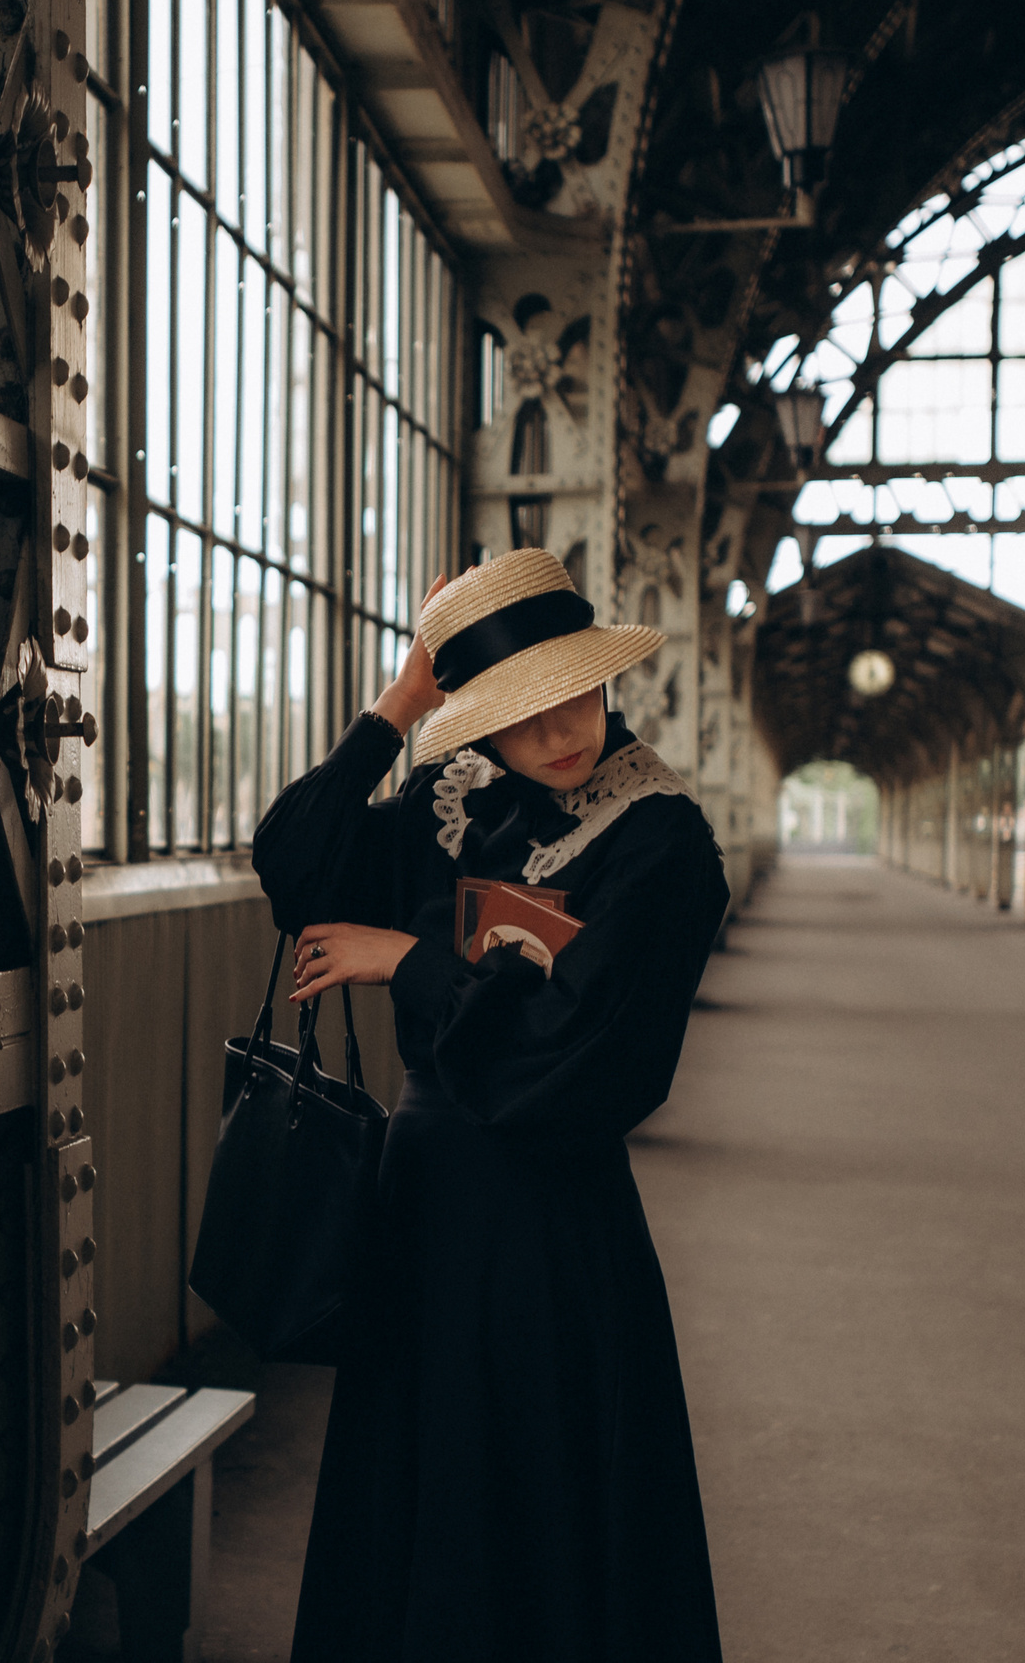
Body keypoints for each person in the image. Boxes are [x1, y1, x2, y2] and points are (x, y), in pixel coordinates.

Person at [251, 547, 731, 1663]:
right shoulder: (456, 802)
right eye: (519, 713)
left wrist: (407, 961)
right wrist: (399, 705)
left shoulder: (662, 845)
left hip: (549, 1224)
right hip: (423, 1208)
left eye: (574, 695)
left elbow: (573, 1063)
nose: (558, 732)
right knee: (417, 1491)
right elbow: (295, 865)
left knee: (536, 1498)